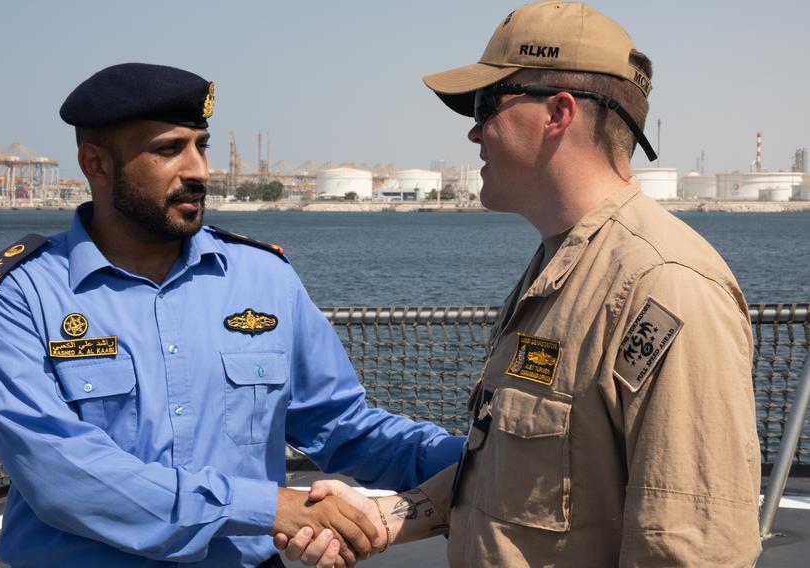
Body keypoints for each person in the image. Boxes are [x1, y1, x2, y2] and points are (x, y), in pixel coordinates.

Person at [280, 2, 762, 566]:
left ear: (558, 113)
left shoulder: (664, 287)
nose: (474, 131)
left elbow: (690, 548)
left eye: (487, 105)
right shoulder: (566, 266)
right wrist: (384, 518)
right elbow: (515, 471)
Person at [0, 62, 463, 568]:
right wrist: (271, 508)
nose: (199, 171)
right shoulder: (21, 294)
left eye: (200, 145)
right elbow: (61, 473)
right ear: (96, 164)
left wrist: (485, 460)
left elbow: (342, 425)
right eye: (168, 149)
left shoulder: (263, 277)